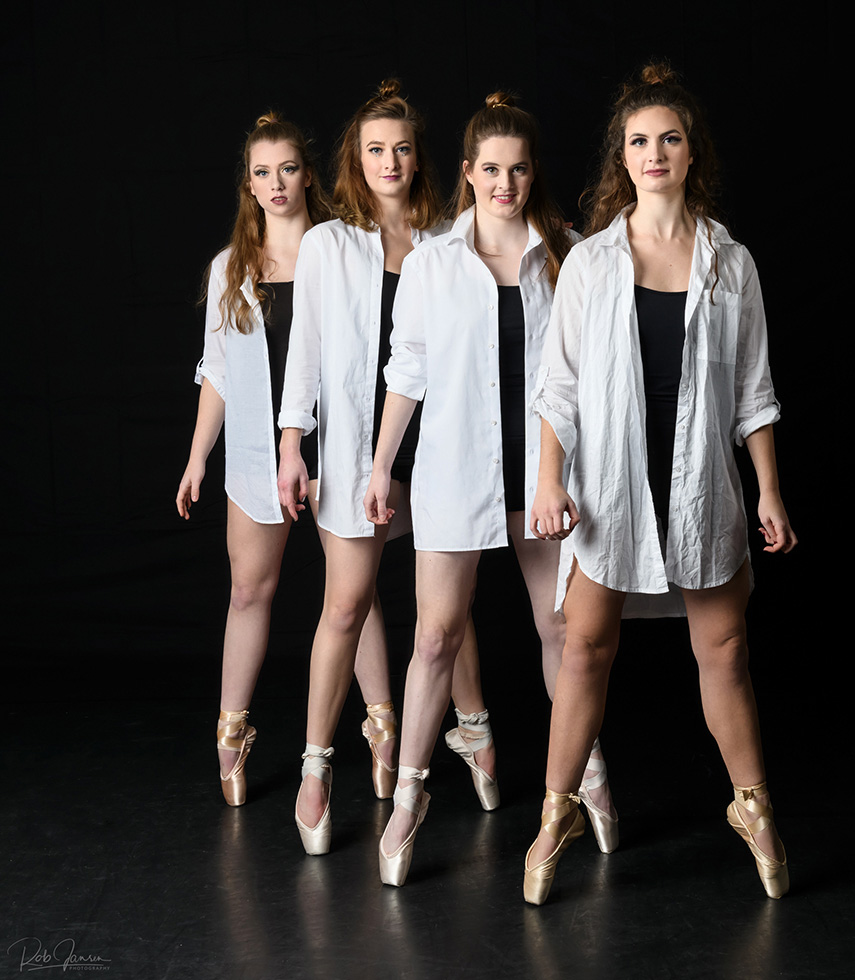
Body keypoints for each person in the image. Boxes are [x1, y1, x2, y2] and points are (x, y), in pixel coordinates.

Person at [524, 63, 798, 905]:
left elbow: (753, 391)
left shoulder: (731, 265)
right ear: (623, 157)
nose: (654, 153)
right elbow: (559, 386)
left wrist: (769, 491)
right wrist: (548, 481)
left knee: (725, 649)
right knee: (584, 649)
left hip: (701, 487)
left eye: (669, 139)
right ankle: (557, 814)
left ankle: (753, 808)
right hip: (610, 489)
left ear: (690, 152)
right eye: (639, 141)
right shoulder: (592, 262)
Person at [364, 92, 607, 888]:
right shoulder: (432, 261)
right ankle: (409, 797)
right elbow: (407, 370)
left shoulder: (568, 255)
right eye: (491, 170)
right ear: (468, 172)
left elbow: (590, 371)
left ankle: (587, 777)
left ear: (534, 174)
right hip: (454, 472)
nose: (505, 184)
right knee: (435, 638)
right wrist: (380, 466)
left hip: (545, 478)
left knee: (563, 632)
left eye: (519, 170)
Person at [277, 80, 489, 855]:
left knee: (446, 615)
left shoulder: (449, 242)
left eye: (401, 149)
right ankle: (316, 766)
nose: (390, 162)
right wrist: (291, 444)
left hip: (438, 452)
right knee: (345, 605)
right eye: (375, 150)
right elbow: (304, 352)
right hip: (354, 453)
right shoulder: (327, 245)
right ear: (356, 161)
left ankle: (475, 734)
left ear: (419, 158)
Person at [176, 113, 398, 808]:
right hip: (254, 455)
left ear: (308, 175)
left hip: (339, 449)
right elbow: (217, 372)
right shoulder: (230, 268)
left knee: (354, 595)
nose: (276, 184)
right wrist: (197, 458)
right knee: (249, 591)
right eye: (262, 173)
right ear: (249, 185)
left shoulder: (346, 251)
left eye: (289, 169)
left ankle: (384, 729)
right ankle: (231, 732)